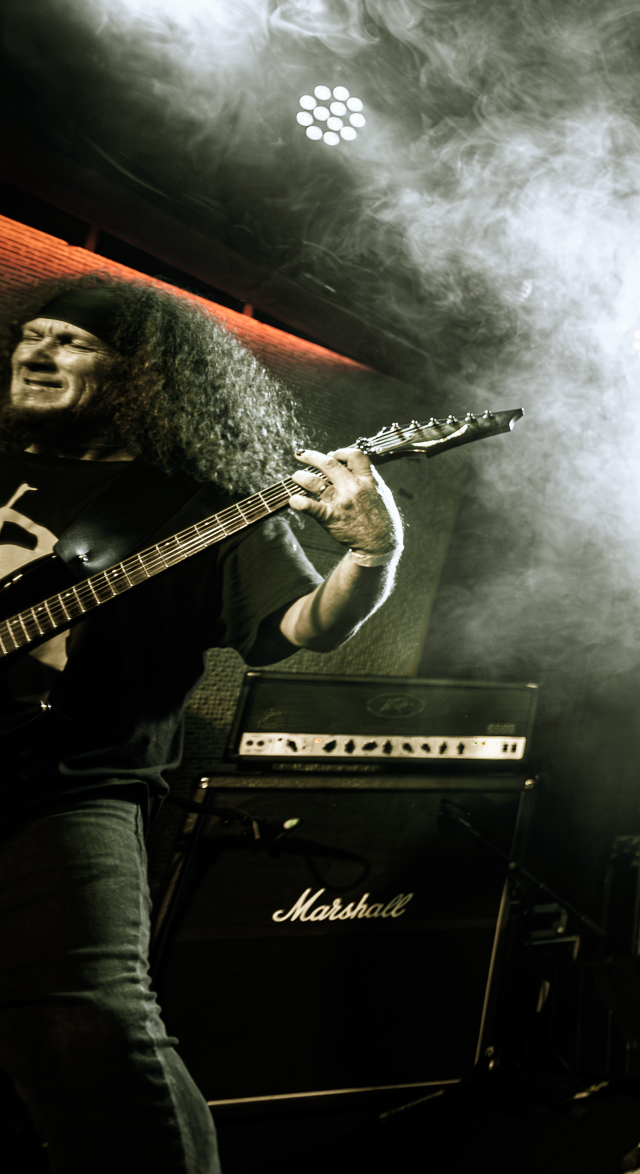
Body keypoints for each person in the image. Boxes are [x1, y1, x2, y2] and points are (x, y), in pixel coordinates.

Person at [0, 281, 403, 1173]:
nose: (37, 353)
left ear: (139, 373)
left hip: (62, 790)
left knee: (91, 1029)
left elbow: (301, 627)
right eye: (31, 335)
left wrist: (372, 553)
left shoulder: (192, 507)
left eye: (70, 341)